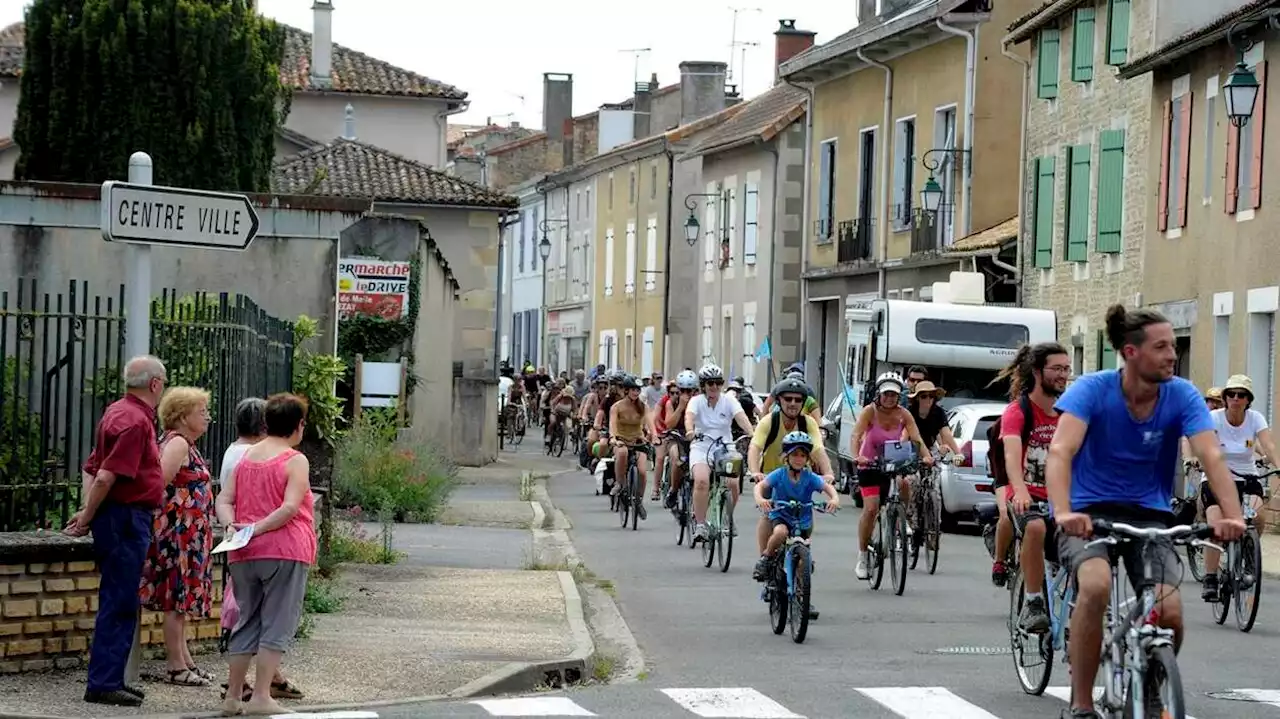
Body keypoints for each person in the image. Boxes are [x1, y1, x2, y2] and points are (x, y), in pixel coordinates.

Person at [1047, 305, 1245, 719]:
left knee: (1169, 611)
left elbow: (1211, 455)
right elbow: (1061, 451)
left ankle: (1153, 684)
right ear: (1131, 352)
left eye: (1174, 345)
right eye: (1162, 347)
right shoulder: (1092, 390)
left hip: (1150, 515)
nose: (1173, 354)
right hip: (1087, 513)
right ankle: (1081, 702)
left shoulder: (1181, 394)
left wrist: (1233, 515)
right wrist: (1063, 511)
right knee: (1097, 585)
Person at [68, 355, 167, 708]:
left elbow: (92, 467)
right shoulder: (136, 422)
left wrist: (88, 510)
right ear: (155, 384)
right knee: (120, 600)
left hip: (119, 515)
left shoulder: (116, 411)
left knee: (120, 598)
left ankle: (111, 678)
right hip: (125, 518)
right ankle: (104, 682)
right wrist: (86, 517)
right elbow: (107, 474)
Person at [216, 393, 317, 717]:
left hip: (243, 553)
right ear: (299, 425)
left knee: (247, 620)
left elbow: (225, 498)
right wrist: (258, 528)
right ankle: (261, 696)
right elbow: (290, 507)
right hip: (285, 549)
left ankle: (233, 697)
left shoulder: (245, 457)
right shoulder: (294, 459)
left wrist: (234, 526)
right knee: (277, 622)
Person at [987, 342, 1070, 633]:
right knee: (1034, 528)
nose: (1063, 374)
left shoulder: (1067, 412)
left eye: (1066, 368)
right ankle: (1033, 602)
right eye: (1057, 368)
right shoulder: (1018, 411)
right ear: (1037, 371)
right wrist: (1019, 489)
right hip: (1025, 494)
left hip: (1060, 497)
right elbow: (1011, 456)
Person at [139, 386, 217, 687]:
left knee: (181, 601)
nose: (207, 417)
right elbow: (159, 483)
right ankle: (174, 665)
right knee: (176, 598)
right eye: (201, 412)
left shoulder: (184, 443)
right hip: (178, 536)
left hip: (188, 534)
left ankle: (185, 661)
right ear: (183, 416)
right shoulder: (178, 444)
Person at [748, 378, 835, 600]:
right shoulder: (770, 421)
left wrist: (829, 473)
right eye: (788, 399)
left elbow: (818, 450)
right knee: (770, 518)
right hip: (770, 475)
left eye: (798, 400)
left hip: (798, 477)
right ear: (779, 400)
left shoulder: (808, 424)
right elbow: (755, 447)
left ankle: (800, 590)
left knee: (804, 524)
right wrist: (754, 472)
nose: (793, 403)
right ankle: (766, 564)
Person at [1199, 374, 1280, 601]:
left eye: (1241, 395)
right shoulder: (1214, 417)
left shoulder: (1255, 419)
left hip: (1246, 476)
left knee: (1258, 517)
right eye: (1231, 394)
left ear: (1248, 399)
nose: (1236, 398)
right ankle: (1211, 577)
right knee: (1216, 526)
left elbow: (1269, 445)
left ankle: (1248, 556)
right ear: (1225, 397)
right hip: (1216, 477)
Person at [850, 372, 933, 579]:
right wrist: (856, 456)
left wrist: (927, 456)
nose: (889, 398)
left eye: (894, 395)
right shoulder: (870, 412)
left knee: (904, 483)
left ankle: (900, 518)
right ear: (879, 394)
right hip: (869, 464)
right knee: (871, 508)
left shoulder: (904, 414)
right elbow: (856, 435)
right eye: (886, 394)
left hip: (892, 461)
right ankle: (862, 556)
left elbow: (917, 438)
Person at [752, 431, 841, 580]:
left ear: (807, 459)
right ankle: (766, 558)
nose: (798, 459)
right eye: (795, 455)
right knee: (780, 532)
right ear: (786, 457)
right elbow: (760, 486)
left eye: (803, 455)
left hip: (803, 519)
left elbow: (827, 487)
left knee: (803, 561)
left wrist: (834, 499)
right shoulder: (779, 474)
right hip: (781, 515)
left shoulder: (809, 477)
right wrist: (760, 499)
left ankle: (801, 597)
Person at [684, 364, 755, 542]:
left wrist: (752, 434)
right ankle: (700, 524)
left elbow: (741, 418)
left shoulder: (729, 400)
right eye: (710, 383)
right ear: (703, 385)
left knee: (732, 482)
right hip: (701, 445)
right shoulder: (696, 401)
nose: (714, 387)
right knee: (701, 481)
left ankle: (727, 518)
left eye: (718, 383)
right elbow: (689, 417)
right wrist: (689, 431)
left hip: (725, 446)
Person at [609, 374, 656, 519]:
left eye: (638, 390)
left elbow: (650, 422)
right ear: (627, 390)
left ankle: (639, 501)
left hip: (637, 440)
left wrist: (654, 435)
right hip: (621, 439)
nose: (636, 392)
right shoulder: (616, 407)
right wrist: (613, 438)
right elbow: (612, 424)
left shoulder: (643, 407)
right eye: (633, 389)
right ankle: (619, 483)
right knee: (622, 453)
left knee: (642, 472)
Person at [662, 371, 698, 508]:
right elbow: (669, 423)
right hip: (676, 435)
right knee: (677, 458)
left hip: (694, 435)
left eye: (689, 391)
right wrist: (681, 407)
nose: (685, 394)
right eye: (682, 391)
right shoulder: (671, 403)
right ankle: (673, 490)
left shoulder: (699, 401)